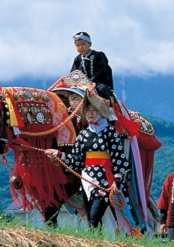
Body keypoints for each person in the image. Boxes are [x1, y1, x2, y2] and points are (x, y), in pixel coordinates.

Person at [46, 89, 129, 228]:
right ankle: (97, 243)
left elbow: (118, 158)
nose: (90, 113)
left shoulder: (110, 133)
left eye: (94, 110)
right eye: (88, 110)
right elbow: (77, 160)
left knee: (95, 217)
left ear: (100, 112)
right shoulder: (83, 134)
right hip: (87, 180)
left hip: (105, 180)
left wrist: (117, 181)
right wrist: (59, 154)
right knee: (91, 217)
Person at [70, 31, 114, 98]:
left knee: (102, 89)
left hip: (99, 83)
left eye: (83, 44)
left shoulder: (99, 55)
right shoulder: (78, 59)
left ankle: (110, 107)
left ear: (90, 44)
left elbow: (102, 69)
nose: (80, 47)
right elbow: (73, 73)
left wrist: (93, 80)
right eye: (77, 45)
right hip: (83, 84)